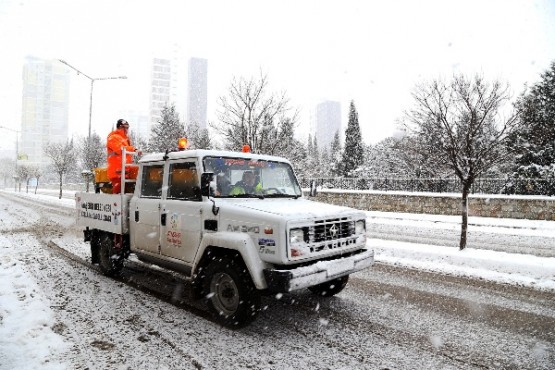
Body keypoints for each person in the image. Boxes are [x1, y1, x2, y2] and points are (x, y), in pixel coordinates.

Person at [107, 119, 140, 194]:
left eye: (127, 127)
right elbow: (120, 149)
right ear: (119, 127)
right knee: (118, 194)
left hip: (124, 170)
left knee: (124, 192)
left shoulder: (124, 139)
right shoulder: (113, 137)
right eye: (124, 127)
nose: (126, 129)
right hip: (117, 171)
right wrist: (133, 149)